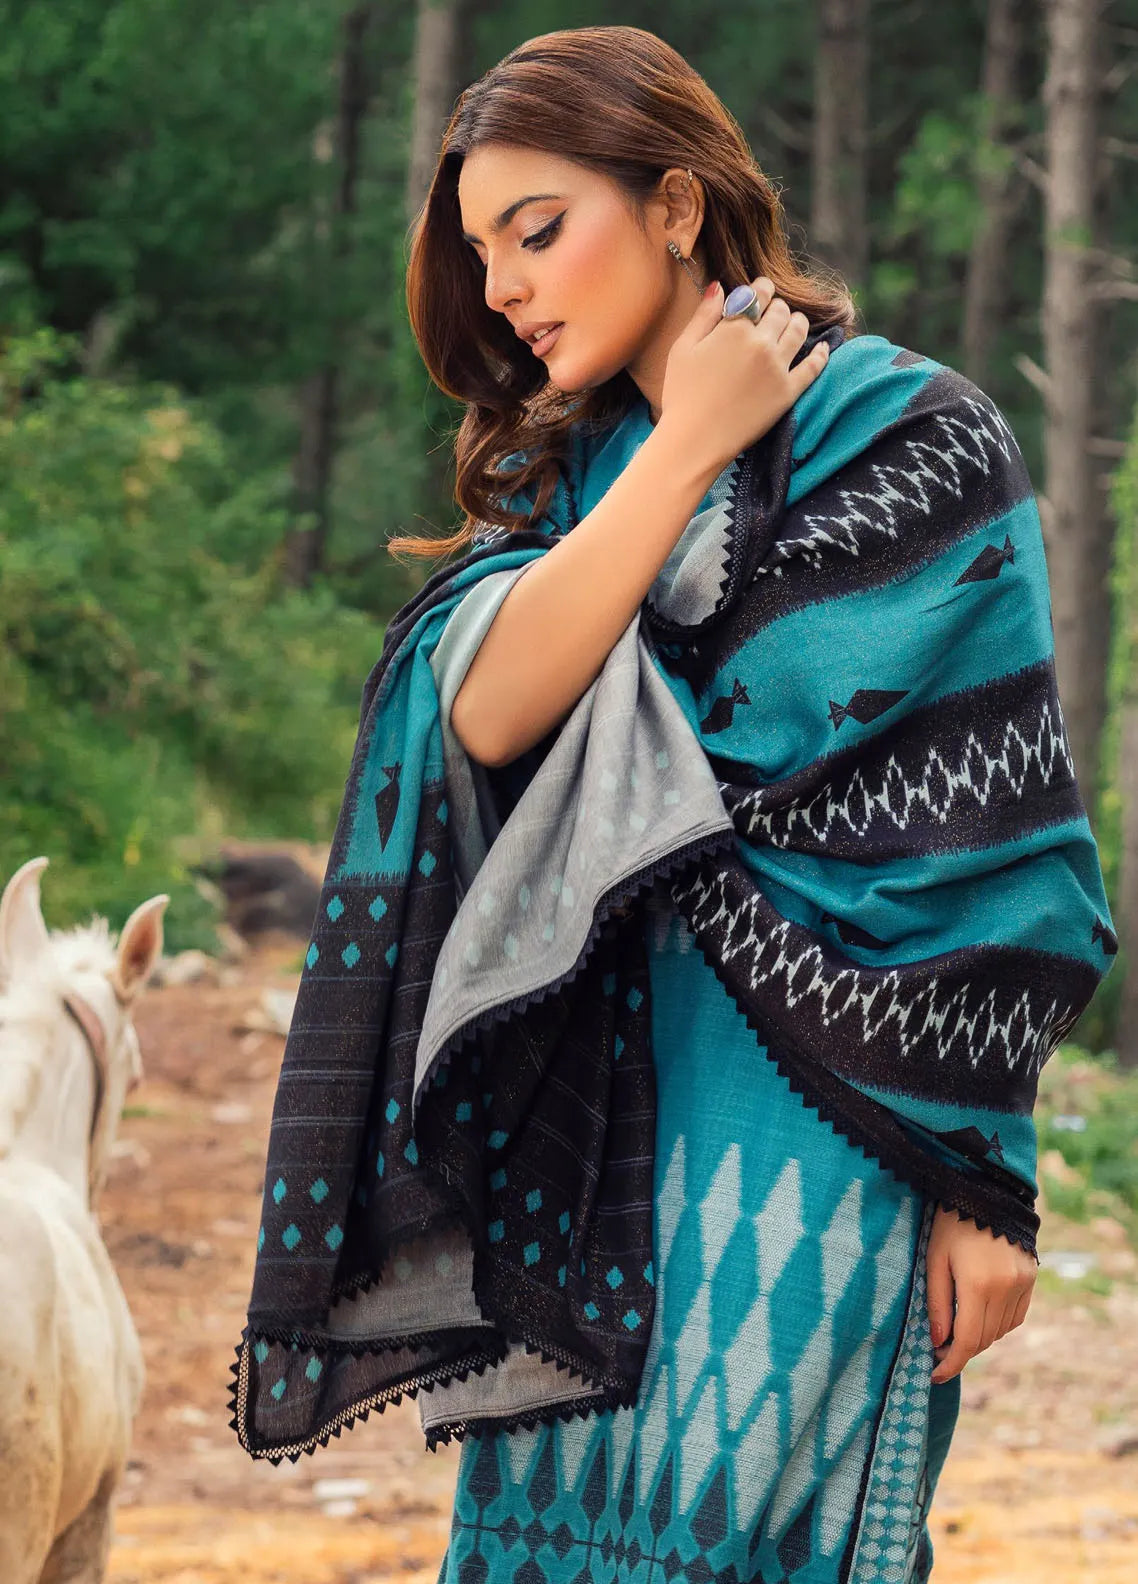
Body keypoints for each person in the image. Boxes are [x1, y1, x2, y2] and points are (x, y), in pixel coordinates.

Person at [232, 24, 1115, 1584]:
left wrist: (989, 1179)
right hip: (583, 1142)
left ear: (677, 204)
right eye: (481, 252)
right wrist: (693, 436)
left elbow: (992, 852)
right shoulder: (569, 479)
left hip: (828, 1128)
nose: (505, 286)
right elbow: (483, 705)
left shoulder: (914, 440)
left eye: (537, 229)